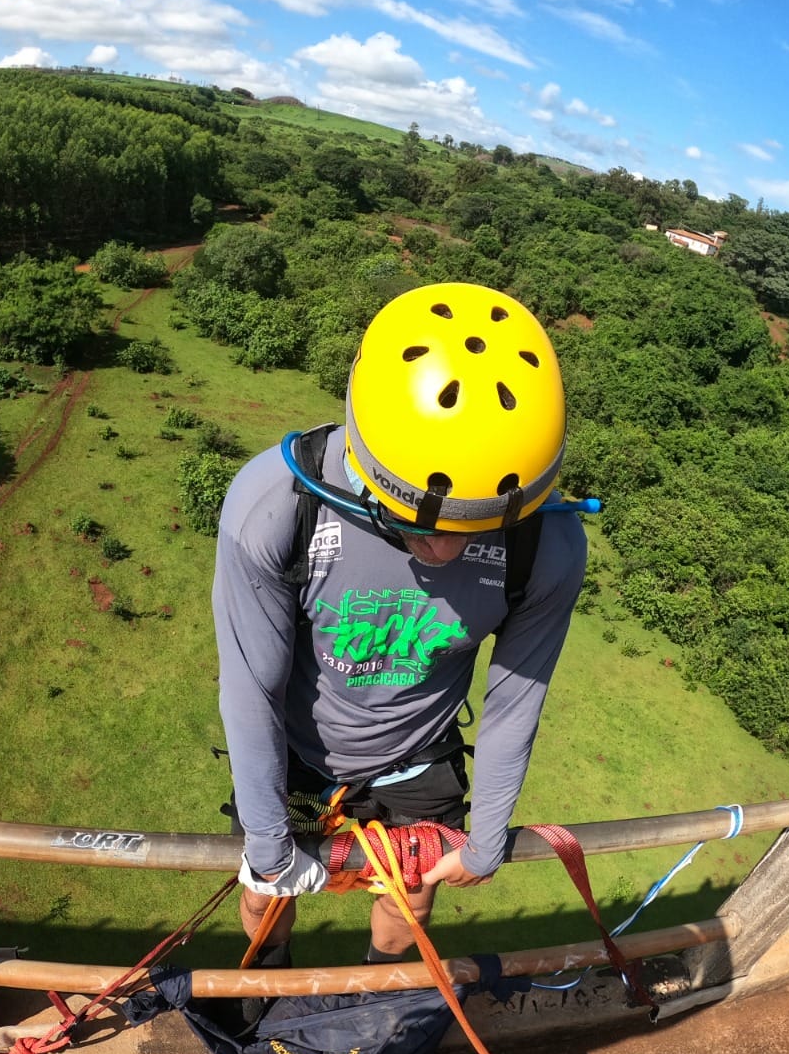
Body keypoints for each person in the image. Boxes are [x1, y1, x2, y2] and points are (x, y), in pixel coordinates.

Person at [212, 282, 589, 966]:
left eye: (471, 531)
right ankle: (266, 981)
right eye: (413, 526)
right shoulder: (276, 507)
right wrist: (269, 845)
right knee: (267, 896)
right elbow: (250, 687)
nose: (442, 550)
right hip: (296, 744)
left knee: (411, 898)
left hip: (418, 751)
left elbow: (515, 702)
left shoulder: (545, 547)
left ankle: (376, 1003)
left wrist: (486, 838)